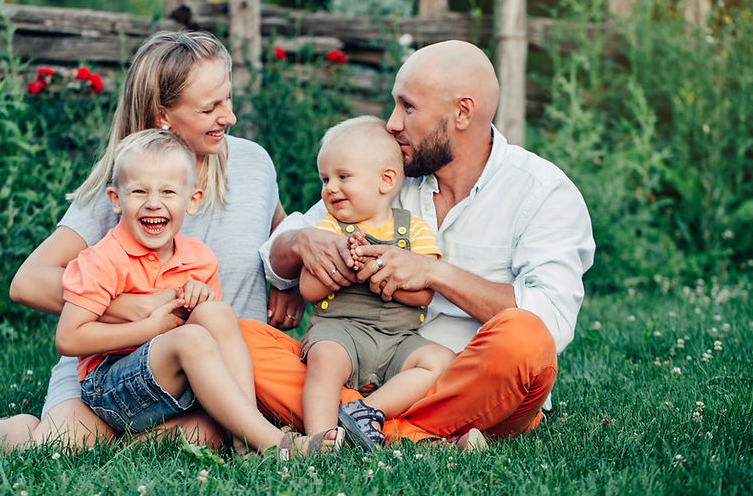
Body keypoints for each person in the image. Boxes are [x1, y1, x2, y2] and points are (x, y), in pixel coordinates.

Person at [0, 31, 306, 450]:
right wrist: (131, 308)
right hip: (119, 365)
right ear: (164, 116)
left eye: (228, 99)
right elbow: (29, 281)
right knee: (59, 446)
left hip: (211, 372)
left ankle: (219, 433)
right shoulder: (128, 187)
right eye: (210, 107)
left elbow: (278, 238)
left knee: (204, 433)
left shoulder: (254, 163)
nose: (229, 116)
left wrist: (289, 281)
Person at [241, 39, 595, 445]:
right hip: (353, 361)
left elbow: (549, 323)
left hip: (459, 382)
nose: (391, 123)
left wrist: (434, 272)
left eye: (407, 107)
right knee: (241, 341)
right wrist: (303, 243)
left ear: (462, 112)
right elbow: (277, 253)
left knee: (525, 341)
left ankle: (364, 426)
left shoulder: (543, 193)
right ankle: (389, 426)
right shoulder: (390, 172)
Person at [54, 129, 342, 457]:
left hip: (169, 383)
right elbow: (69, 338)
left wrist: (199, 297)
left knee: (216, 314)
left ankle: (244, 439)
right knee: (192, 339)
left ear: (192, 200)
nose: (153, 203)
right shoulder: (104, 258)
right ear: (116, 199)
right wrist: (151, 327)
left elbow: (214, 335)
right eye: (138, 191)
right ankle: (274, 443)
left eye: (168, 191)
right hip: (109, 385)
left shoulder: (198, 258)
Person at [297, 116, 456, 450]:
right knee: (324, 357)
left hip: (398, 341)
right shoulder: (328, 231)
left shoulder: (413, 229)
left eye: (343, 177)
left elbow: (425, 294)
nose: (330, 188)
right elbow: (308, 291)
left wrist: (385, 275)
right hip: (341, 332)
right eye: (325, 179)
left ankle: (365, 413)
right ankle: (321, 437)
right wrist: (343, 267)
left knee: (440, 360)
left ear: (385, 180)